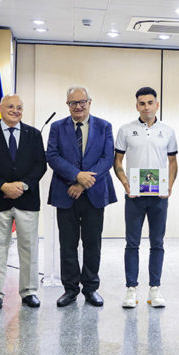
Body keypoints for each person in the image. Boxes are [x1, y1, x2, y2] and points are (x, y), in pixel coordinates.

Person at [47, 86, 117, 308]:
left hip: (94, 193)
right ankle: (70, 289)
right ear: (67, 105)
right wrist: (76, 176)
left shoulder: (104, 126)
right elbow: (52, 156)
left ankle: (90, 288)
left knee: (92, 243)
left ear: (89, 102)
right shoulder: (57, 127)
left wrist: (84, 182)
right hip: (65, 192)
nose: (78, 106)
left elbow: (107, 158)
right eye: (73, 103)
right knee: (67, 244)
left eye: (82, 102)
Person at [0, 94, 47, 310]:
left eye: (19, 107)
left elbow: (40, 165)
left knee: (29, 247)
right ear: (0, 108)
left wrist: (22, 186)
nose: (15, 111)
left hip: (27, 200)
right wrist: (3, 186)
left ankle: (29, 292)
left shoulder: (33, 134)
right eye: (11, 106)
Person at [113, 86, 178, 308]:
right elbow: (118, 161)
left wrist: (169, 186)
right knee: (132, 243)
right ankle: (131, 289)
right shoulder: (125, 130)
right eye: (142, 103)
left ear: (157, 105)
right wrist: (125, 183)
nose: (146, 107)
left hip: (159, 197)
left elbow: (172, 162)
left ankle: (155, 289)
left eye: (150, 103)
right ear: (137, 106)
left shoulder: (167, 131)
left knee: (157, 243)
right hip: (134, 196)